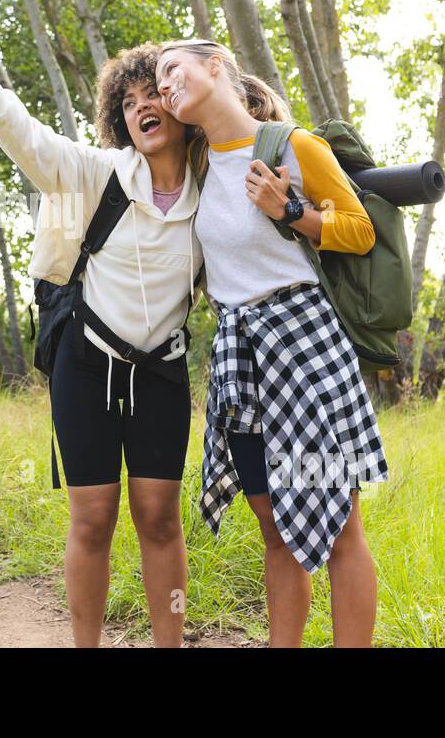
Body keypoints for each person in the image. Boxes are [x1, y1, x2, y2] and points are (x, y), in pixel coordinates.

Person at [0, 10, 201, 647]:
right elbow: (30, 142)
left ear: (178, 110)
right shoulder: (100, 171)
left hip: (162, 370)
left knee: (161, 519)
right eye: (130, 101)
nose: (143, 107)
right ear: (120, 119)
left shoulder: (212, 190)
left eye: (155, 97)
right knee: (92, 519)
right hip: (85, 364)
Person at [155, 38, 390, 647]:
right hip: (239, 353)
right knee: (273, 522)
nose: (165, 88)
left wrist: (293, 213)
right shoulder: (199, 162)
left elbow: (360, 230)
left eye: (171, 71)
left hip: (304, 344)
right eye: (157, 85)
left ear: (214, 66)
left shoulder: (292, 144)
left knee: (339, 524)